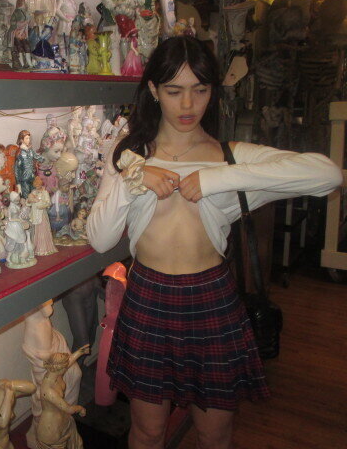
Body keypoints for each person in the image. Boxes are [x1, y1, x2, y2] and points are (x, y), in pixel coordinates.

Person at [86, 36, 343, 449]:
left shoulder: (231, 155)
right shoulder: (129, 154)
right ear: (153, 90)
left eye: (200, 89)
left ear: (212, 90)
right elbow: (99, 240)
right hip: (148, 297)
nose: (188, 104)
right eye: (174, 91)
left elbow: (327, 174)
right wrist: (134, 179)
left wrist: (217, 178)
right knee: (148, 432)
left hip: (211, 299)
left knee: (214, 434)